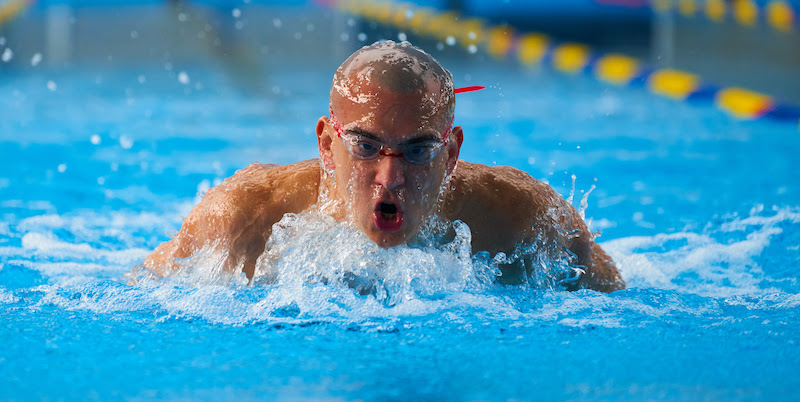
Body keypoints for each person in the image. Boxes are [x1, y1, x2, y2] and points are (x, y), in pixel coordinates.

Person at [139, 40, 625, 293]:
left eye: (418, 151)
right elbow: (137, 295)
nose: (390, 179)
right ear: (328, 146)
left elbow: (615, 301)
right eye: (366, 147)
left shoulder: (520, 218)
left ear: (451, 154)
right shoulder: (243, 219)